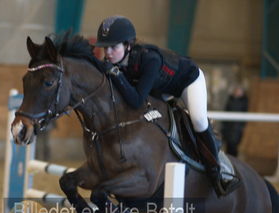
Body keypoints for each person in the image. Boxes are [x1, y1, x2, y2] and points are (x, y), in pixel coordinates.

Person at [95, 15, 240, 196]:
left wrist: (116, 74)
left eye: (113, 47)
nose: (108, 53)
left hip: (187, 81)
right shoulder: (114, 63)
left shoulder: (149, 60)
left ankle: (218, 172)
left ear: (128, 45)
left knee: (199, 120)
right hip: (159, 88)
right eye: (105, 47)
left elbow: (136, 101)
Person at [221, 85, 248, 157]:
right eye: (236, 91)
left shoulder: (244, 102)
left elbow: (244, 114)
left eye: (239, 91)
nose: (237, 93)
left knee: (234, 146)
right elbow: (226, 111)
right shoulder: (230, 100)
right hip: (229, 127)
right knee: (228, 146)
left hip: (237, 128)